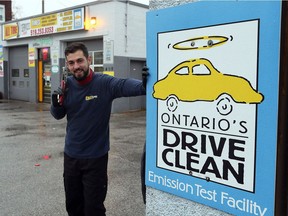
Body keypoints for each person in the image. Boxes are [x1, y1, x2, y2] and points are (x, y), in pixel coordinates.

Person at [50, 42, 147, 216]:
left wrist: (145, 84)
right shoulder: (67, 85)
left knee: (94, 209)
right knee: (73, 206)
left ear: (88, 59)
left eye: (80, 61)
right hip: (71, 157)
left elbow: (124, 85)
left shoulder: (103, 83)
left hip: (96, 158)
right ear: (67, 65)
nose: (76, 66)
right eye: (71, 63)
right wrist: (55, 103)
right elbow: (58, 114)